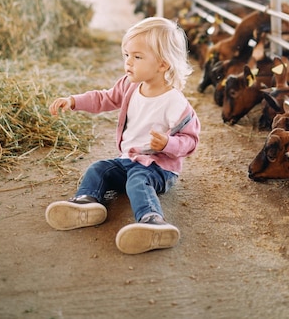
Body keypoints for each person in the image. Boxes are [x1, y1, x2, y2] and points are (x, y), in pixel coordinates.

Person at [45, 16, 200, 255]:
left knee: (137, 181)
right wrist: (74, 101)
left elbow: (190, 140)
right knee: (99, 168)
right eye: (126, 55)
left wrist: (168, 143)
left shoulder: (174, 101)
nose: (128, 63)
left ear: (162, 64)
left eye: (137, 57)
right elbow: (104, 98)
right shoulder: (130, 85)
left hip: (158, 166)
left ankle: (152, 221)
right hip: (128, 158)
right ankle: (87, 202)